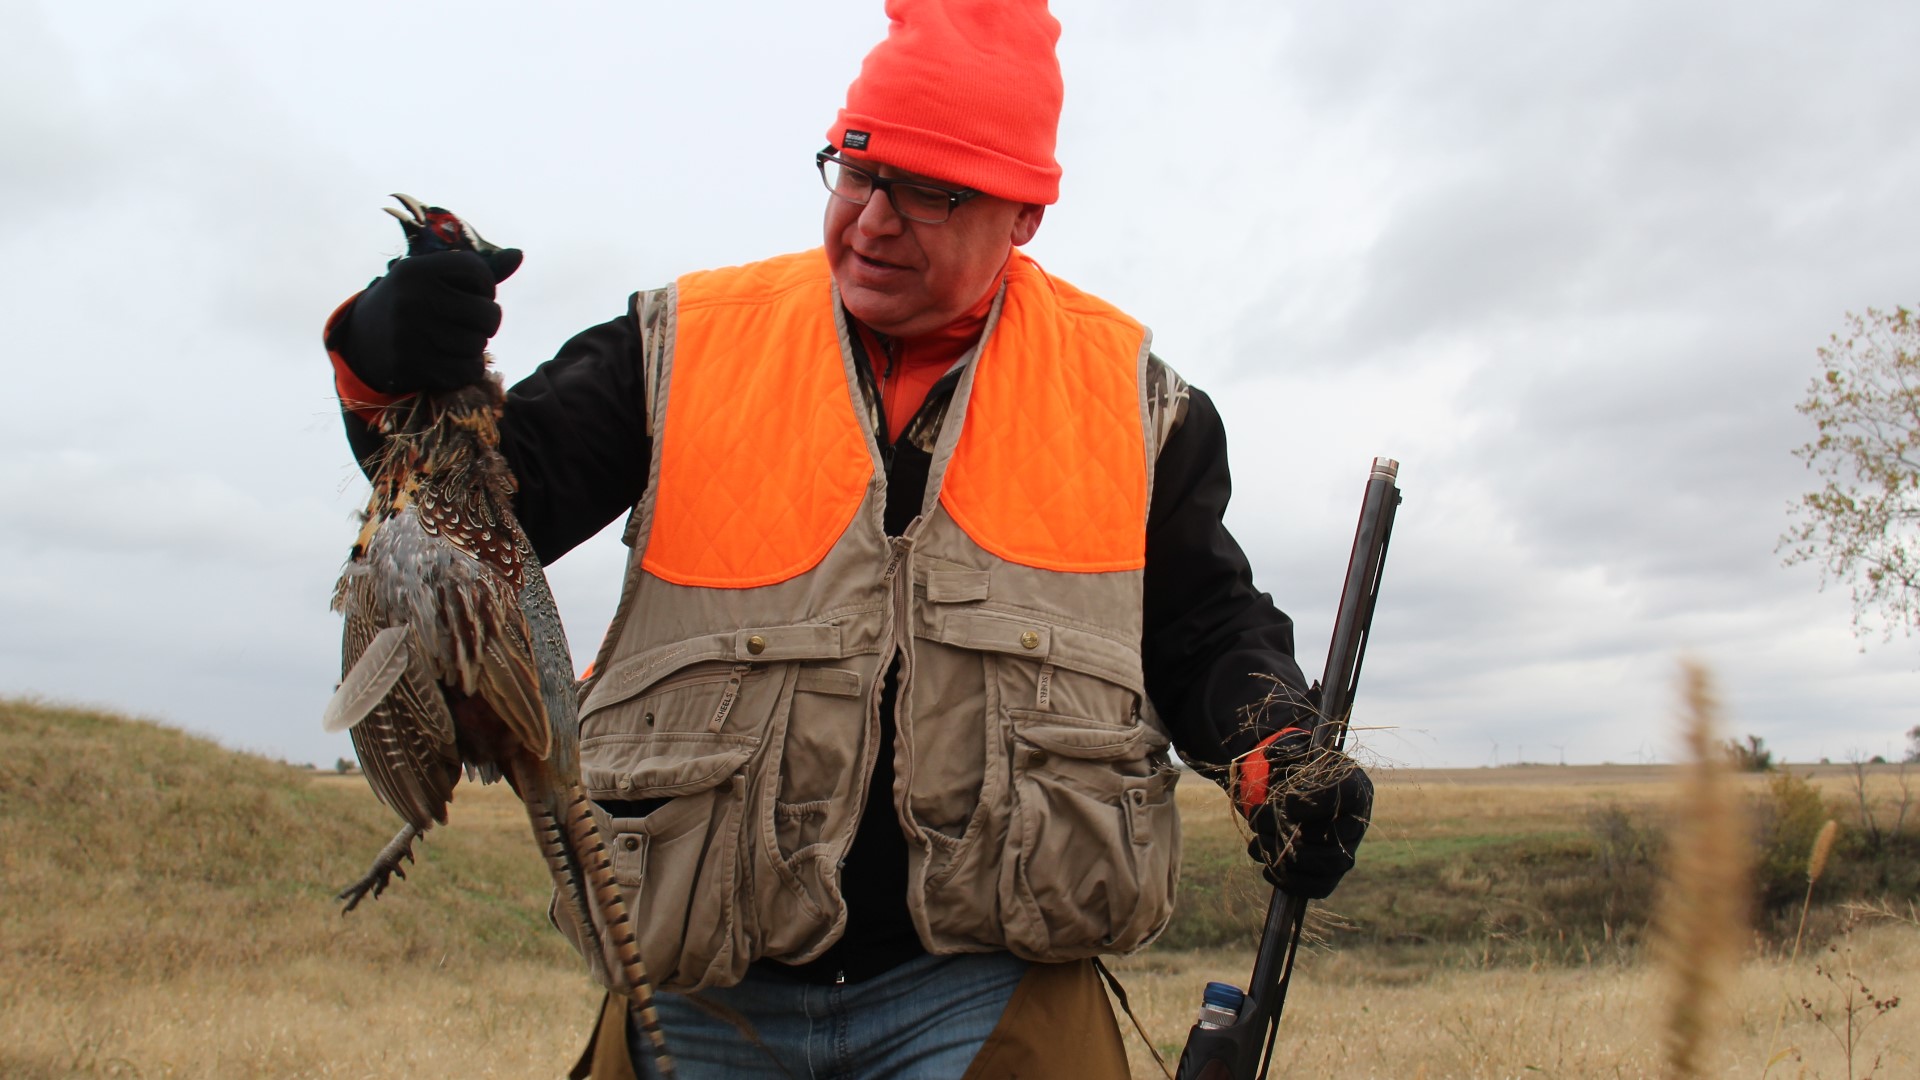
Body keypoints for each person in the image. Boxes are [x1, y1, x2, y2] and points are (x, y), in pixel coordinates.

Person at [324, 2, 1370, 1076]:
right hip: (697, 986)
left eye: (929, 192)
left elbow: (1204, 629)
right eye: (858, 173)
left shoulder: (1137, 407)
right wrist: (389, 359)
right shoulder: (681, 347)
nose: (872, 222)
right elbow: (489, 507)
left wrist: (1277, 750)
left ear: (1025, 217)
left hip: (982, 982)